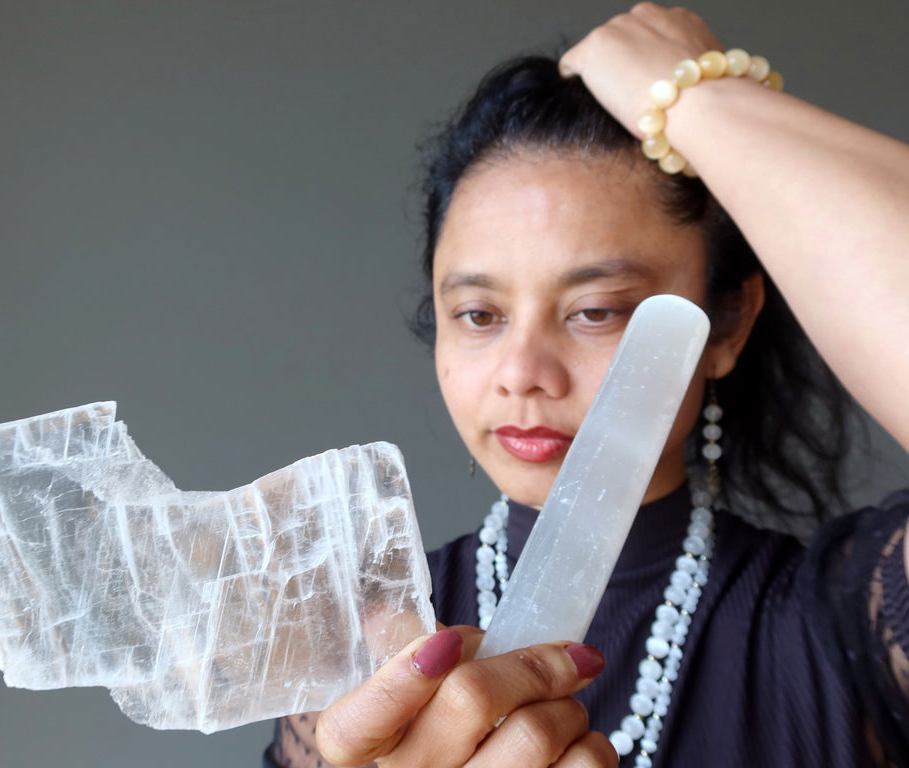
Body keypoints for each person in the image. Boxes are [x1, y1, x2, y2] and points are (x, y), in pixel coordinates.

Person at [264, 4, 909, 766]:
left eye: (596, 311)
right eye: (478, 314)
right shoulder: (364, 649)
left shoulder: (850, 623)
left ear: (725, 325)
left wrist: (701, 99)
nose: (522, 374)